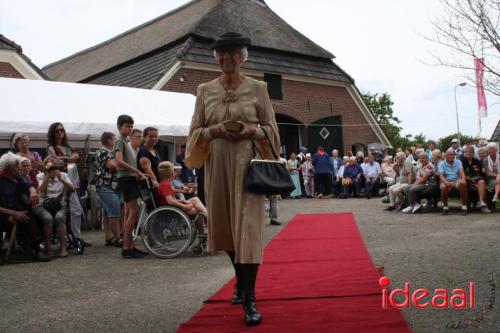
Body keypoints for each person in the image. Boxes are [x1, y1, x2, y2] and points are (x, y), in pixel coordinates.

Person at [184, 32, 280, 326]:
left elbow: (272, 130)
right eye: (221, 53)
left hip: (247, 167)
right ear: (216, 57)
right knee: (226, 229)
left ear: (242, 56)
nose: (227, 57)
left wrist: (252, 131)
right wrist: (214, 131)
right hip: (216, 166)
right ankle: (240, 278)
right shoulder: (203, 90)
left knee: (248, 230)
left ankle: (249, 298)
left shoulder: (258, 88)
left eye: (233, 52)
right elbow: (195, 132)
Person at [46, 122, 88, 249]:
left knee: (77, 209)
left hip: (73, 179)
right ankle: (65, 238)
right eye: (57, 131)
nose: (60, 133)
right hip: (60, 180)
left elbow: (76, 157)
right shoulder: (51, 147)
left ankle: (77, 237)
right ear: (53, 133)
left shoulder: (68, 146)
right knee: (63, 209)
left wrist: (68, 157)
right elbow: (53, 160)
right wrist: (68, 158)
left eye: (61, 130)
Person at [0, 152, 49, 261]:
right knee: (24, 215)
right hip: (3, 212)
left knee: (29, 213)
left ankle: (35, 249)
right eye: (16, 166)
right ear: (7, 167)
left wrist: (32, 191)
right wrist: (13, 213)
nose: (18, 168)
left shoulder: (15, 175)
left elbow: (26, 185)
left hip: (16, 208)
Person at [114, 115, 148, 259]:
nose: (129, 128)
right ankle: (127, 247)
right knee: (132, 212)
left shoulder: (125, 142)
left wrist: (136, 173)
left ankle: (130, 246)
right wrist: (136, 171)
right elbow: (119, 162)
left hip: (130, 178)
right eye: (127, 125)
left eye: (131, 126)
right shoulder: (119, 142)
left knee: (132, 212)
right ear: (119, 127)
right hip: (126, 179)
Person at [34, 157, 75, 258]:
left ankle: (63, 248)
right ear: (45, 167)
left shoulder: (63, 175)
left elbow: (73, 189)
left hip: (59, 205)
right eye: (50, 167)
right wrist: (48, 176)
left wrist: (61, 180)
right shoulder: (40, 176)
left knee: (60, 218)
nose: (53, 169)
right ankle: (48, 248)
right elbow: (41, 190)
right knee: (48, 218)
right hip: (42, 205)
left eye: (54, 166)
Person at [157, 162, 207, 235]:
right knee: (198, 209)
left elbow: (171, 200)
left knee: (195, 199)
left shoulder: (164, 184)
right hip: (173, 211)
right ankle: (207, 221)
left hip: (174, 208)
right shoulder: (165, 186)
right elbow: (170, 201)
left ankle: (207, 218)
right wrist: (184, 205)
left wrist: (183, 201)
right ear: (171, 173)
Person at [94, 132, 123, 247]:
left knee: (107, 213)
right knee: (114, 213)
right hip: (107, 186)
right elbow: (112, 165)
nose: (116, 141)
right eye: (114, 139)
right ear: (110, 140)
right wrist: (122, 162)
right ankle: (117, 238)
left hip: (110, 186)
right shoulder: (103, 152)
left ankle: (108, 237)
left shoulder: (107, 152)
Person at [438, 148, 468, 215]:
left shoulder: (458, 162)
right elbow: (441, 176)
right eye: (450, 154)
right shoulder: (441, 163)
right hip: (446, 180)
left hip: (457, 180)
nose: (452, 156)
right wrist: (447, 183)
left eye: (453, 154)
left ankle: (464, 207)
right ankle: (445, 207)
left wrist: (463, 179)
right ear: (446, 155)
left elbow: (462, 173)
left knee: (463, 183)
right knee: (443, 187)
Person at [461, 146, 490, 213]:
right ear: (464, 153)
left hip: (477, 180)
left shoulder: (477, 161)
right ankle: (467, 205)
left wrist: (484, 182)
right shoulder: (461, 161)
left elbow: (481, 173)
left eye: (470, 152)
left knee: (482, 182)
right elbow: (460, 174)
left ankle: (482, 203)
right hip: (466, 180)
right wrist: (470, 180)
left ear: (473, 153)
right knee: (478, 185)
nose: (468, 153)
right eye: (466, 152)